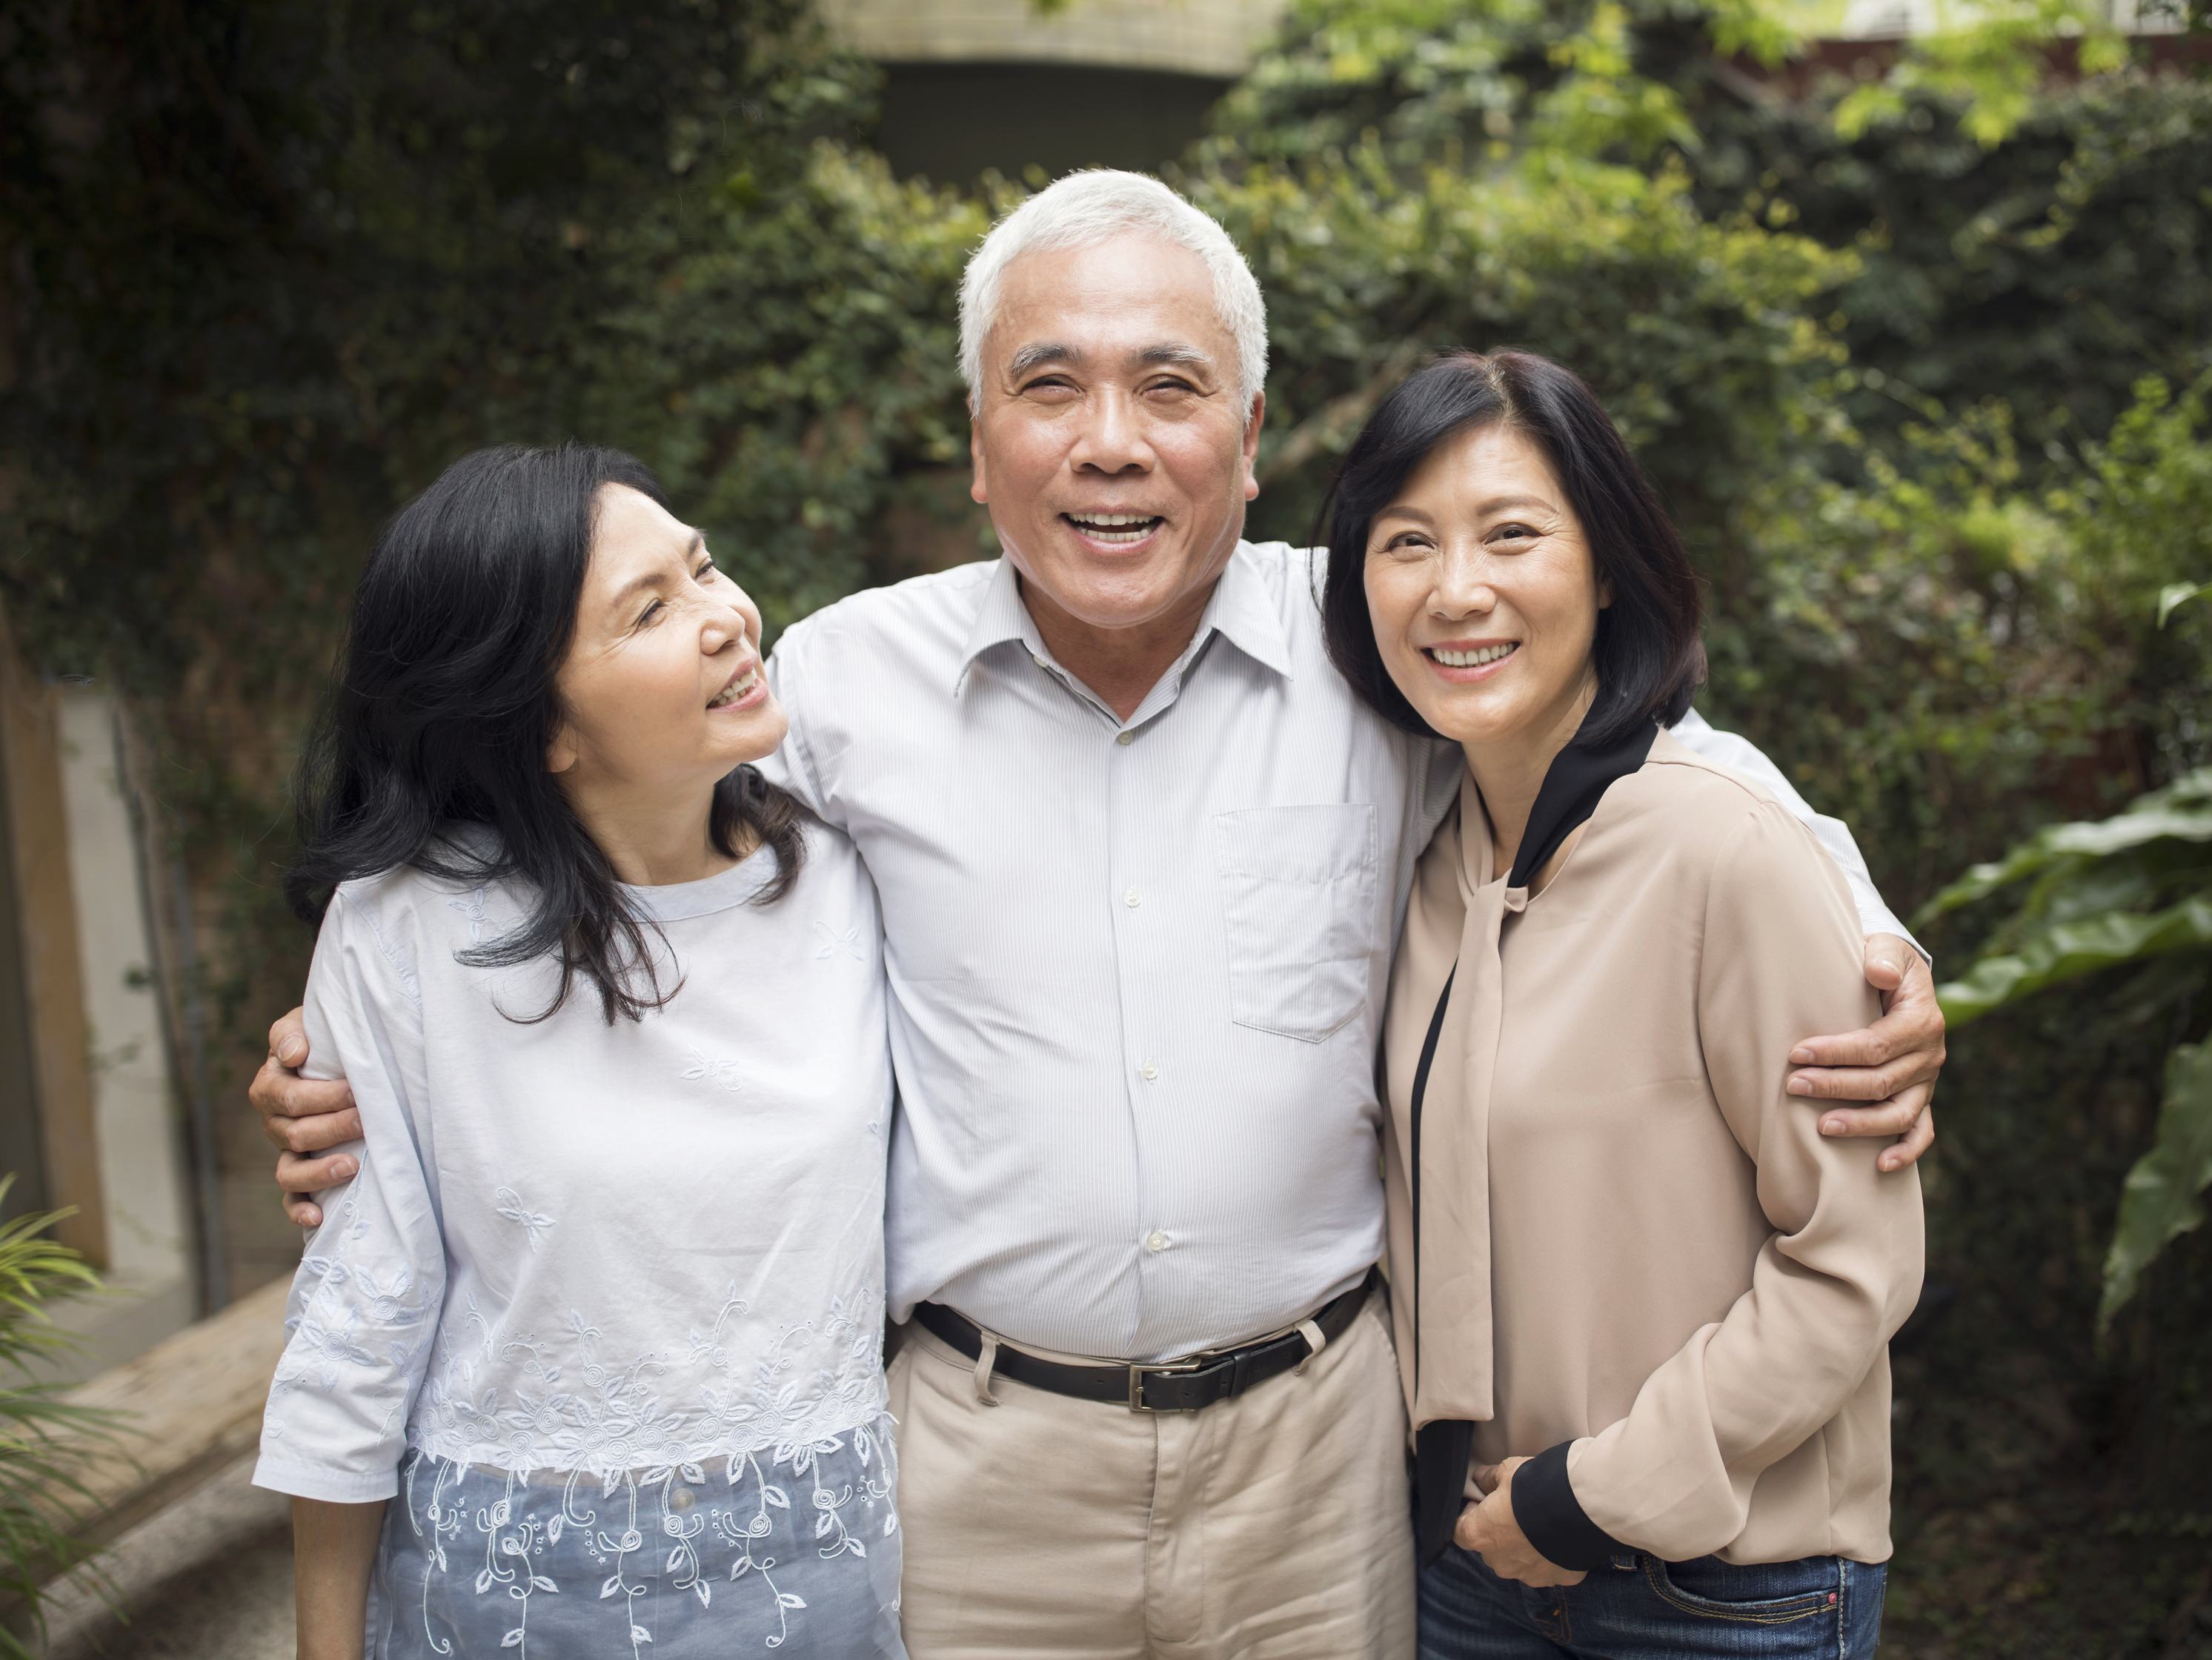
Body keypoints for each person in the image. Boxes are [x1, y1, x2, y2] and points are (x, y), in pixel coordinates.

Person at [254, 171, 1944, 1658]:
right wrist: (362, 1059)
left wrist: (1867, 929)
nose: (1111, 440)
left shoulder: (1372, 651)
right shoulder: (841, 687)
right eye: (1047, 385)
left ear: (1256, 436)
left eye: (1171, 386)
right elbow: (586, 832)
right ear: (979, 439)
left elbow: (1638, 746)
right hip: (985, 1461)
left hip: (1320, 1452)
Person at [253, 445, 903, 1658]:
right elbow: (359, 1322)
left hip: (815, 1587)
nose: (725, 618)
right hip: (514, 1602)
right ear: (539, 725)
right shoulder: (409, 924)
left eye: (703, 568)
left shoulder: (850, 871)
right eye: (652, 610)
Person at [1324, 349, 1923, 1658]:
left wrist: (1590, 1501)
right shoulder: (1425, 863)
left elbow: (1853, 1262)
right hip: (1469, 1575)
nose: (1457, 589)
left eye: (1514, 533)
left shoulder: (1728, 848)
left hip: (1719, 1592)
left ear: (1606, 567)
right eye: (1406, 541)